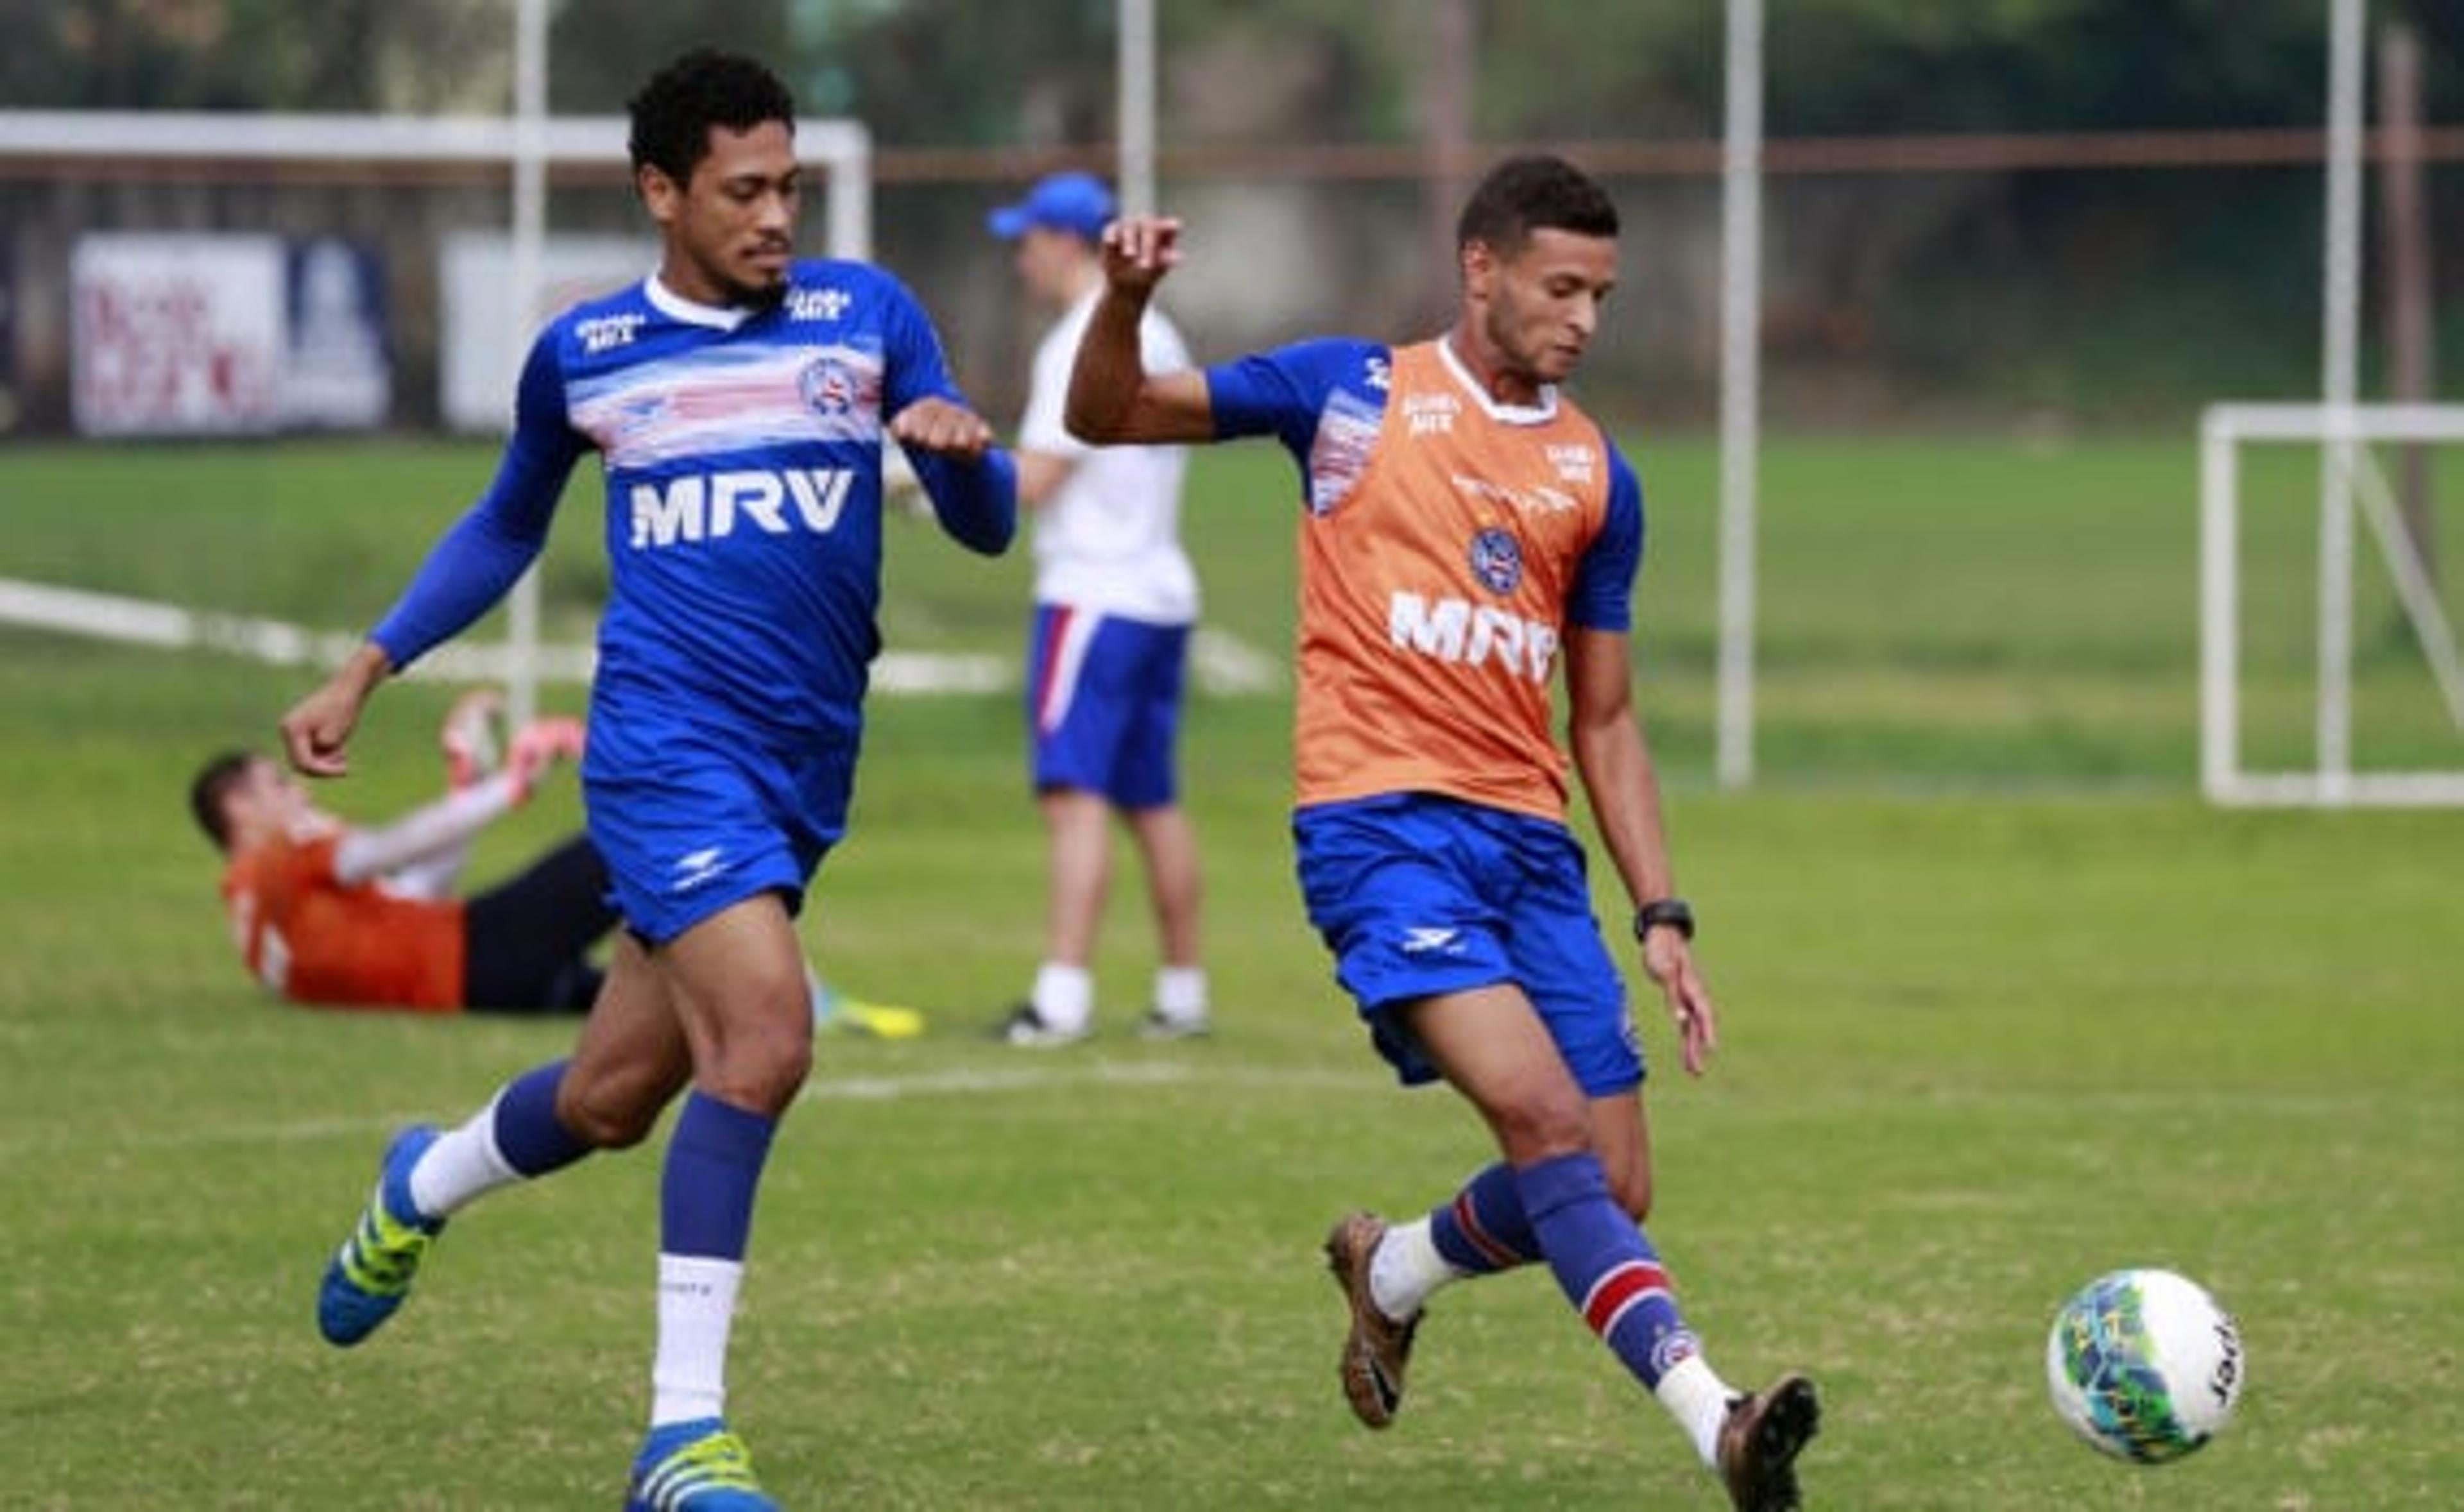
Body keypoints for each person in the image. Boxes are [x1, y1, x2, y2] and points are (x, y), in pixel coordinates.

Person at [277, 49, 1014, 1511]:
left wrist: (962, 450)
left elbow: (985, 523)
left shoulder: (867, 318)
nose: (776, 216)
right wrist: (369, 664)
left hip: (797, 776)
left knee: (615, 1097)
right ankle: (680, 1435)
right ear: (660, 192)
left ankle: (419, 1181)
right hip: (662, 755)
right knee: (768, 1031)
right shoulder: (587, 352)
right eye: (743, 190)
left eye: (788, 186)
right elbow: (501, 528)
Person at [1065, 157, 1818, 1509]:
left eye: (1603, 294)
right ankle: (1717, 1418)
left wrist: (1662, 912)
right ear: (1482, 267)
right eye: (1560, 286)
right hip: (1377, 828)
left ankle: (1394, 1266)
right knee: (1542, 1119)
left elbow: (1606, 718)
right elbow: (1108, 410)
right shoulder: (1349, 394)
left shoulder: (1596, 473)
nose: (1584, 317)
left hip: (1531, 851)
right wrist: (1120, 304)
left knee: (1615, 1177)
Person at [984, 171, 1209, 1046]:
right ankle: (1182, 992)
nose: (1020, 260)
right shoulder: (1163, 328)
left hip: (1093, 592)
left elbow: (1037, 479)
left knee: (1075, 798)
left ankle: (1061, 998)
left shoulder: (1077, 340)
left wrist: (927, 482)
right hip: (1159, 593)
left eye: (1027, 241)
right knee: (1152, 800)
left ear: (1065, 242)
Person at [193, 693, 606, 1015]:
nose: (301, 792)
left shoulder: (251, 916)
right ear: (238, 806)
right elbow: (393, 846)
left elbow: (412, 899)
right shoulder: (279, 859)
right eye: (279, 784)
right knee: (633, 840)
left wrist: (466, 795)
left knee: (644, 999)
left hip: (484, 987)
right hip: (480, 950)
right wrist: (511, 784)